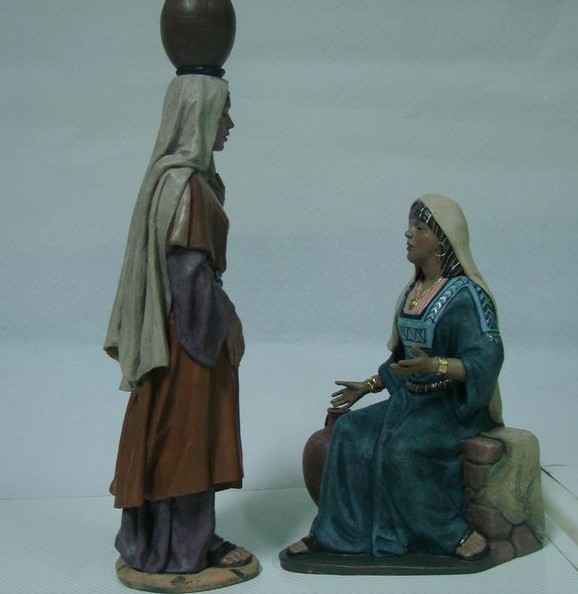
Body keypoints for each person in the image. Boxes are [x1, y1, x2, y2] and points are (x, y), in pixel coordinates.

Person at [288, 194, 504, 561]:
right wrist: (369, 385)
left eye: (418, 228)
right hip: (410, 400)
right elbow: (403, 362)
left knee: (401, 450)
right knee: (349, 430)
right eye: (409, 227)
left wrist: (437, 366)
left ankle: (451, 534)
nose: (408, 235)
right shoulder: (413, 293)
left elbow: (487, 359)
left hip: (451, 408)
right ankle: (335, 534)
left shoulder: (468, 295)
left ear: (442, 239)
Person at [104, 73, 252, 574]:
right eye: (223, 112)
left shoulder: (180, 180)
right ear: (198, 116)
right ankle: (184, 546)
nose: (229, 123)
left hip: (181, 330)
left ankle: (175, 540)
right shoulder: (184, 186)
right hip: (188, 337)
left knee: (174, 437)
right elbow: (187, 275)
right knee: (186, 439)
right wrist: (228, 323)